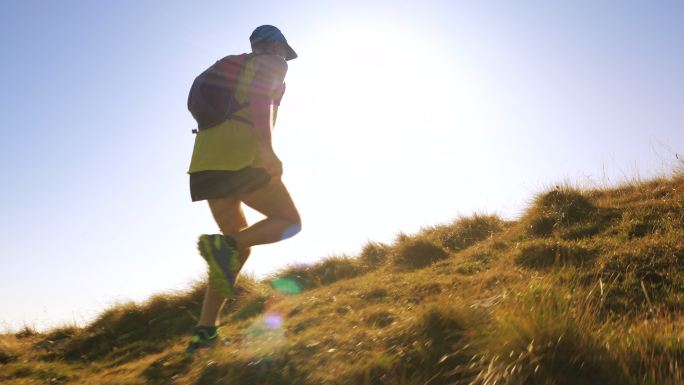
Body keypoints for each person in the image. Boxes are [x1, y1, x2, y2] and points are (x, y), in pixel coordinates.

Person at [185, 25, 301, 353]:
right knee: (289, 222)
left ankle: (204, 332)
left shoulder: (231, 65)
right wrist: (267, 150)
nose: (284, 55)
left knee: (234, 250)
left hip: (206, 163)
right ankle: (225, 246)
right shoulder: (272, 62)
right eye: (283, 48)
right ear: (276, 45)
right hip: (243, 157)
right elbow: (260, 97)